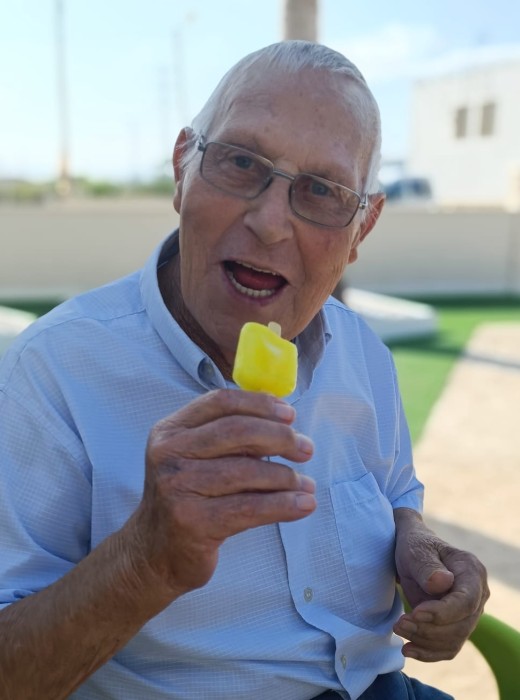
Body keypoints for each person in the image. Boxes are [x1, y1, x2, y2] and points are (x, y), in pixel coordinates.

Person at [0, 40, 489, 700]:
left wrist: (417, 544)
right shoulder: (54, 371)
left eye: (323, 190)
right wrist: (145, 560)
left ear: (363, 228)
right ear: (182, 169)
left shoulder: (363, 353)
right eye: (240, 162)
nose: (270, 222)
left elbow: (398, 493)